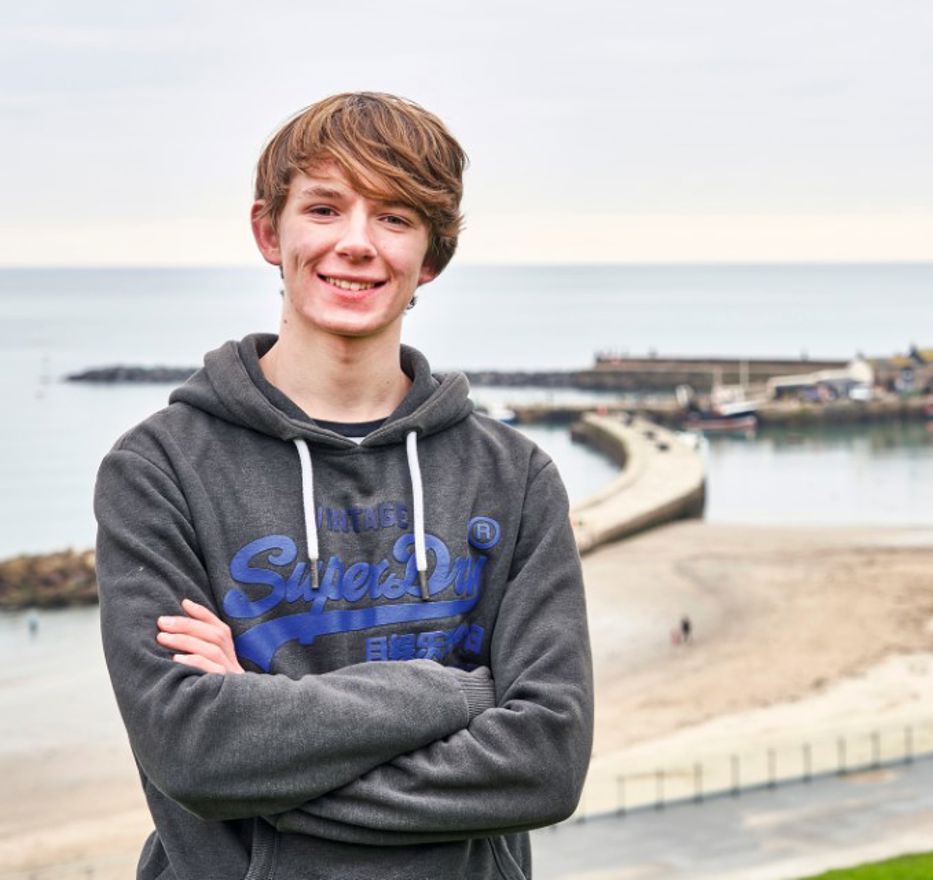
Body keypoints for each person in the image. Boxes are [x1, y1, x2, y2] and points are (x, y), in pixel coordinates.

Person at [94, 92, 593, 880]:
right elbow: (193, 752)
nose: (356, 244)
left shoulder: (514, 477)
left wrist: (264, 753)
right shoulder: (158, 469)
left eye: (394, 217)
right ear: (270, 232)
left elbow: (546, 764)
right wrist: (458, 697)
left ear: (431, 256)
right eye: (325, 209)